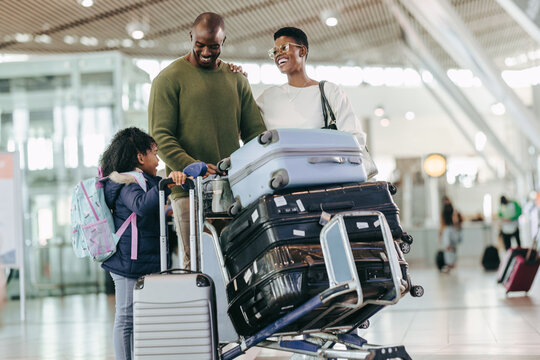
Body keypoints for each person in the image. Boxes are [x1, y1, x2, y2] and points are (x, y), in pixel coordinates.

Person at [148, 12, 266, 269]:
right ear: (190, 37)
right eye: (200, 44)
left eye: (213, 46)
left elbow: (255, 134)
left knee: (239, 263)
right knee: (199, 264)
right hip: (188, 191)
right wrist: (195, 166)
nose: (205, 52)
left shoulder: (236, 80)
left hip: (233, 189)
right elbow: (161, 136)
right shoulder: (167, 79)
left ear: (223, 42)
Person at [100, 127, 187, 360]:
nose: (158, 160)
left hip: (138, 259)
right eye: (154, 153)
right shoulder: (127, 181)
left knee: (137, 318)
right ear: (140, 157)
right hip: (128, 263)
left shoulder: (143, 180)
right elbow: (141, 205)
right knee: (126, 318)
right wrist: (167, 184)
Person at [256, 27, 366, 146]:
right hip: (282, 164)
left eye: (284, 48)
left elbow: (355, 138)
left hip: (323, 164)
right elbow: (241, 127)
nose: (278, 54)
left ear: (302, 51)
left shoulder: (329, 92)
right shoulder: (267, 98)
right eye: (275, 51)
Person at [439, 195, 462, 273]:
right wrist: (441, 232)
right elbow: (442, 222)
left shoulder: (453, 210)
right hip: (446, 228)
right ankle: (448, 264)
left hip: (452, 228)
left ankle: (452, 263)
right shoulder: (443, 211)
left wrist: (457, 227)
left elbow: (456, 220)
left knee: (453, 247)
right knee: (447, 247)